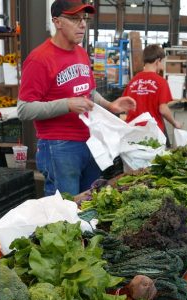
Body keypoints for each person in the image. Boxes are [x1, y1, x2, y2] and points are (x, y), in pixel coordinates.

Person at [17, 0, 136, 196]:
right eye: (74, 19)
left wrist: (110, 105)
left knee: (89, 203)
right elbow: (24, 109)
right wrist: (67, 104)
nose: (82, 24)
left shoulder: (81, 53)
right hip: (59, 146)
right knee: (64, 211)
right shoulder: (40, 59)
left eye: (84, 19)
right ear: (57, 22)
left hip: (89, 141)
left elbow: (88, 92)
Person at [123, 44, 182, 135]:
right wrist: (174, 123)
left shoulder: (132, 81)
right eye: (162, 62)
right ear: (158, 61)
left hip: (132, 130)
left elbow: (125, 108)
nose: (162, 65)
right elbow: (163, 109)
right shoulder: (161, 82)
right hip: (152, 133)